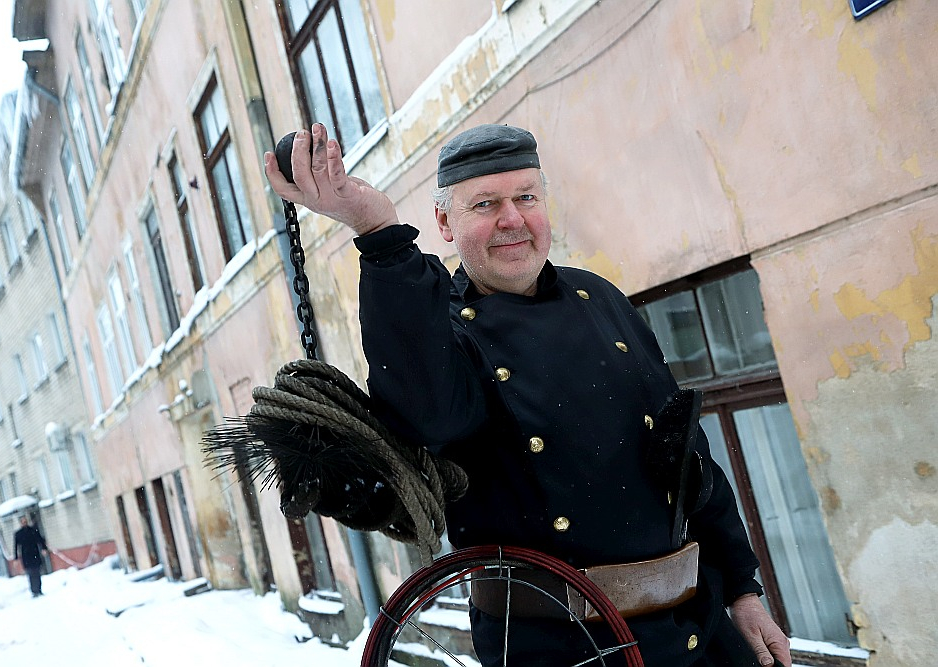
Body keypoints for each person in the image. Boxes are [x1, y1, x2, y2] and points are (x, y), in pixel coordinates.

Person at [265, 123, 792, 667]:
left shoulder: (602, 296)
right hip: (560, 649)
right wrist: (379, 231)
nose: (512, 219)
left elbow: (689, 458)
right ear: (445, 222)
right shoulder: (442, 330)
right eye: (485, 204)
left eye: (526, 198)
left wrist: (742, 590)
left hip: (695, 629)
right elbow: (429, 416)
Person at [14, 515, 49, 597]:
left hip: (35, 554)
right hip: (26, 557)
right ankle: (34, 591)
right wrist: (16, 558)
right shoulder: (18, 534)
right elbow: (15, 546)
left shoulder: (33, 530)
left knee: (37, 573)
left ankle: (39, 589)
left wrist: (44, 548)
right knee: (30, 574)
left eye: (25, 521)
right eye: (22, 522)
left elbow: (40, 540)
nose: (24, 523)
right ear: (20, 523)